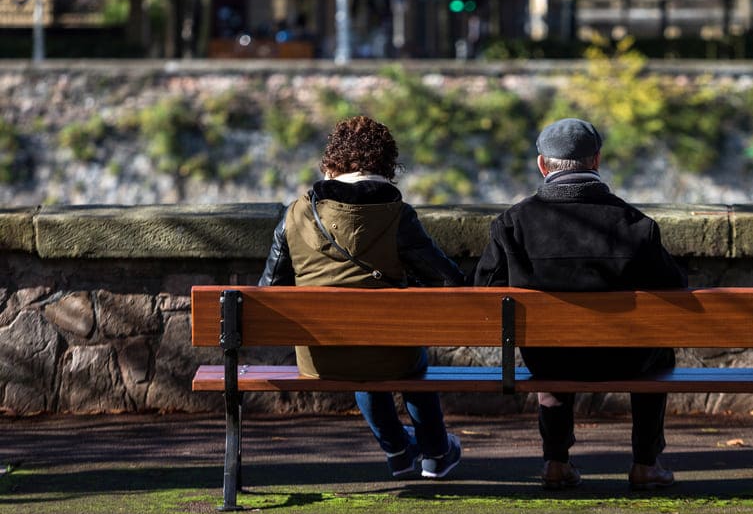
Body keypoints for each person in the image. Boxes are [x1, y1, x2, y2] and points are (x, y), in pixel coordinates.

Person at [473, 117, 687, 491]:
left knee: (548, 348)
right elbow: (674, 291)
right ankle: (646, 463)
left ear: (543, 165)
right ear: (596, 161)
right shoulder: (636, 224)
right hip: (626, 359)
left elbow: (483, 293)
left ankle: (556, 462)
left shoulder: (511, 225)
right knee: (660, 353)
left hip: (549, 357)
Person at [259, 115, 463, 479]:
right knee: (405, 357)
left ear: (329, 164)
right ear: (387, 165)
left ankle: (398, 450)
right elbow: (449, 278)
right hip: (392, 356)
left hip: (321, 359)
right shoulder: (398, 217)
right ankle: (435, 451)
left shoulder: (295, 215)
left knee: (359, 352)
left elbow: (269, 292)